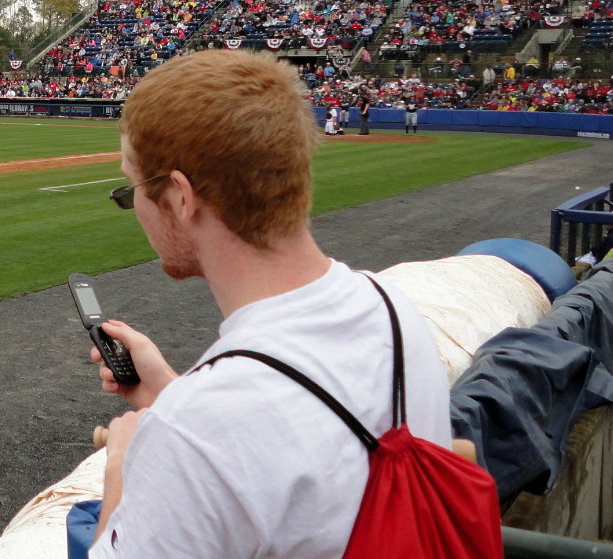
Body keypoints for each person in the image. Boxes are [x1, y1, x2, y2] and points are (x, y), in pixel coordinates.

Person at [89, 50, 451, 558]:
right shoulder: (390, 306)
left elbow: (230, 432)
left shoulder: (193, 432)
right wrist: (170, 392)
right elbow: (300, 452)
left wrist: (123, 468)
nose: (136, 209)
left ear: (180, 196)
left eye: (133, 190)